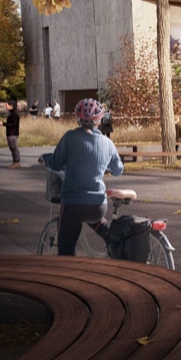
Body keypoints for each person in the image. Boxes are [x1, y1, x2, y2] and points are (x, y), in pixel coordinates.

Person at [46, 98, 124, 256]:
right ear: (99, 119)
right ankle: (113, 240)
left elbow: (55, 164)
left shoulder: (70, 137)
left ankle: (70, 274)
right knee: (92, 217)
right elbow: (118, 170)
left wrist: (46, 158)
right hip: (97, 206)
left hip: (73, 204)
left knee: (66, 250)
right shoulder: (107, 143)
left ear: (78, 118)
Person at [0, 101, 22, 167]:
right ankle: (15, 162)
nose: (5, 107)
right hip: (10, 133)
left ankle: (17, 162)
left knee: (14, 147)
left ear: (11, 106)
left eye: (7, 105)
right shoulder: (12, 113)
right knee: (12, 148)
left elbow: (13, 124)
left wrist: (3, 123)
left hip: (13, 133)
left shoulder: (15, 114)